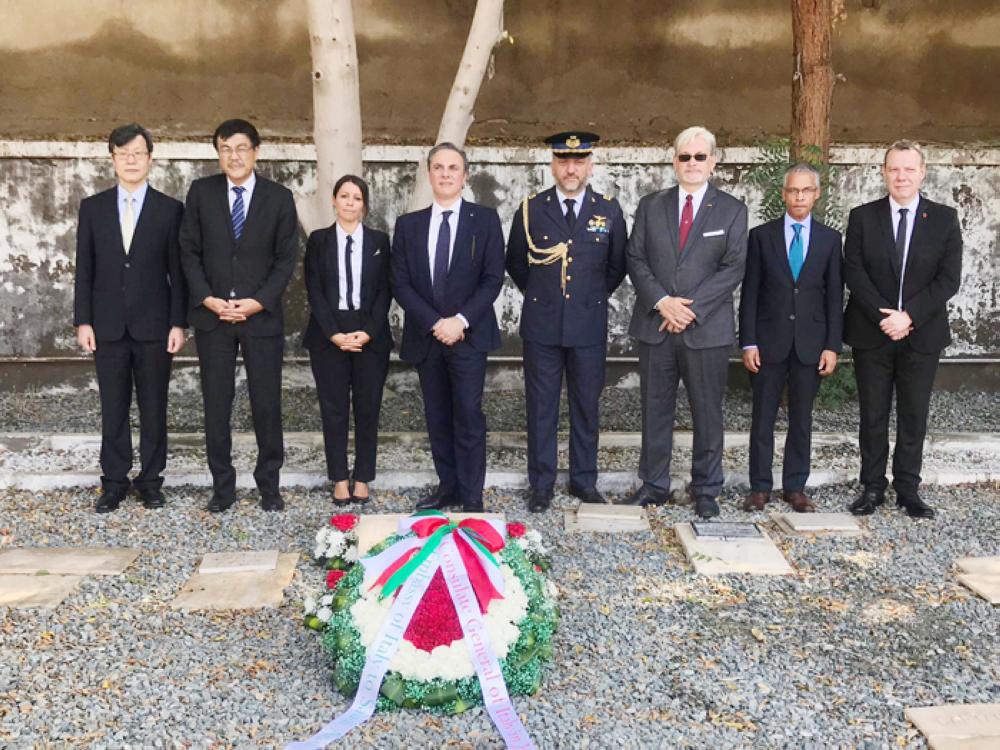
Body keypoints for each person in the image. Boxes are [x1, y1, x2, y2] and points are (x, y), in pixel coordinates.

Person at [624, 125, 748, 519]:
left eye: (699, 156)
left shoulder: (731, 209)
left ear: (713, 161)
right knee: (654, 408)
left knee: (707, 412)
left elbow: (733, 267)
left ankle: (707, 488)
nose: (691, 163)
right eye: (684, 156)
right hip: (656, 326)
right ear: (673, 160)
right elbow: (635, 259)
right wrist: (663, 302)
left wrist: (688, 310)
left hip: (705, 329)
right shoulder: (650, 206)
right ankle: (654, 484)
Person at [179, 119, 298, 513]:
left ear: (256, 152)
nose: (234, 156)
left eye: (242, 148)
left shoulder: (279, 198)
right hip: (213, 317)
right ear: (218, 153)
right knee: (217, 403)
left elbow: (285, 260)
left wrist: (257, 301)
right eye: (226, 148)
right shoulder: (201, 192)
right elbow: (189, 252)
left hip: (259, 318)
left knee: (266, 404)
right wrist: (207, 298)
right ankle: (222, 488)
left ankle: (269, 485)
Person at [505, 131, 627, 512]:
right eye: (563, 161)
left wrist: (587, 300)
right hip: (542, 326)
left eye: (578, 161)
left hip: (587, 326)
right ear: (552, 165)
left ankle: (583, 481)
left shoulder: (607, 210)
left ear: (590, 165)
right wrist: (546, 298)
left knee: (585, 406)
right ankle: (541, 484)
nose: (570, 169)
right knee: (541, 407)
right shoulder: (530, 210)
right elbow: (516, 263)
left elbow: (616, 266)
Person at [844, 140, 962, 519]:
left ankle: (908, 489)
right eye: (894, 169)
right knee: (873, 414)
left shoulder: (944, 219)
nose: (901, 176)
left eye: (909, 169)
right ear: (883, 172)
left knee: (914, 414)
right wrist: (885, 316)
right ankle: (872, 487)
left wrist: (907, 316)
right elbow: (854, 271)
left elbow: (948, 280)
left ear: (922, 172)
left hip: (921, 333)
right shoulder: (863, 216)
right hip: (872, 331)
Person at [73, 123, 186, 513]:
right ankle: (114, 481)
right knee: (113, 406)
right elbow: (84, 269)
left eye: (138, 153)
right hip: (106, 326)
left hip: (155, 327)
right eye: (124, 154)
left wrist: (178, 323)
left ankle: (151, 480)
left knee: (154, 406)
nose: (131, 160)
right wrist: (82, 321)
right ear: (113, 159)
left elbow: (178, 272)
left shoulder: (171, 210)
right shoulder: (93, 207)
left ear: (150, 159)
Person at [390, 143, 505, 513]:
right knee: (437, 415)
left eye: (453, 168)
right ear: (429, 174)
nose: (445, 174)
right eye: (438, 167)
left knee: (468, 415)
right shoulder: (409, 225)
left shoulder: (485, 220)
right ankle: (448, 487)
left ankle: (472, 495)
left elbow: (492, 279)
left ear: (464, 175)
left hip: (468, 336)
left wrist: (459, 321)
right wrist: (435, 322)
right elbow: (401, 282)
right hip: (428, 336)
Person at [739, 163, 843, 513]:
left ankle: (795, 487)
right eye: (792, 190)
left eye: (805, 190)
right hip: (768, 342)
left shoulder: (830, 239)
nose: (799, 197)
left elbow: (833, 297)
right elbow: (750, 292)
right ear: (783, 194)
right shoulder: (761, 236)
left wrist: (832, 345)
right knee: (762, 417)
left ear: (816, 194)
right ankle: (759, 487)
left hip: (810, 344)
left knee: (802, 418)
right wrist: (748, 341)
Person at [302, 175, 392, 505]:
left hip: (370, 334)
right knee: (334, 409)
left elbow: (386, 289)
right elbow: (314, 288)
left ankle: (364, 476)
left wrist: (368, 331)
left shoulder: (380, 240)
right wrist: (334, 334)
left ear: (364, 204)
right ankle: (339, 477)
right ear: (334, 201)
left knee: (368, 409)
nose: (350, 202)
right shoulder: (319, 240)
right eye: (344, 196)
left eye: (356, 197)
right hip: (329, 334)